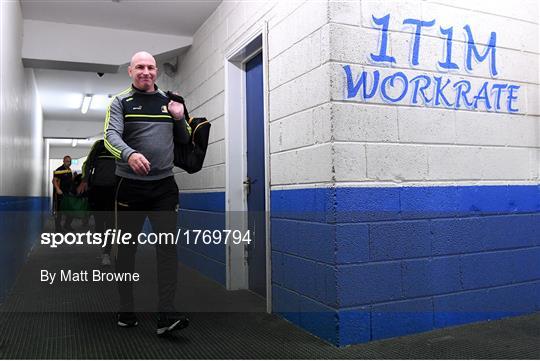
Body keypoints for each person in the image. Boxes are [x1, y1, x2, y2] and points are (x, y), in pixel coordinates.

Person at [104, 51, 190, 336]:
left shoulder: (170, 101)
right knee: (126, 250)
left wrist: (179, 118)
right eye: (140, 67)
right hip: (129, 186)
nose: (146, 71)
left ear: (157, 71)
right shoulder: (120, 102)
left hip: (164, 187)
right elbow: (110, 137)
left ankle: (166, 314)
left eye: (151, 67)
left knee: (167, 248)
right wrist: (129, 155)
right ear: (130, 71)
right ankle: (126, 308)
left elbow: (185, 140)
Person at [77, 139, 116, 266]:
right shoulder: (99, 145)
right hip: (97, 189)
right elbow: (87, 164)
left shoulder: (120, 144)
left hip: (113, 190)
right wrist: (84, 180)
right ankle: (104, 247)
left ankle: (106, 253)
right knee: (99, 223)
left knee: (110, 222)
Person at [52, 155, 74, 232]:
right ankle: (58, 228)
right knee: (59, 211)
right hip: (59, 194)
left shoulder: (69, 170)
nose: (69, 162)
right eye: (67, 161)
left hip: (67, 194)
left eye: (70, 161)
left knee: (70, 210)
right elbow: (54, 180)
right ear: (63, 161)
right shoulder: (59, 170)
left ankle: (67, 225)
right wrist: (57, 189)